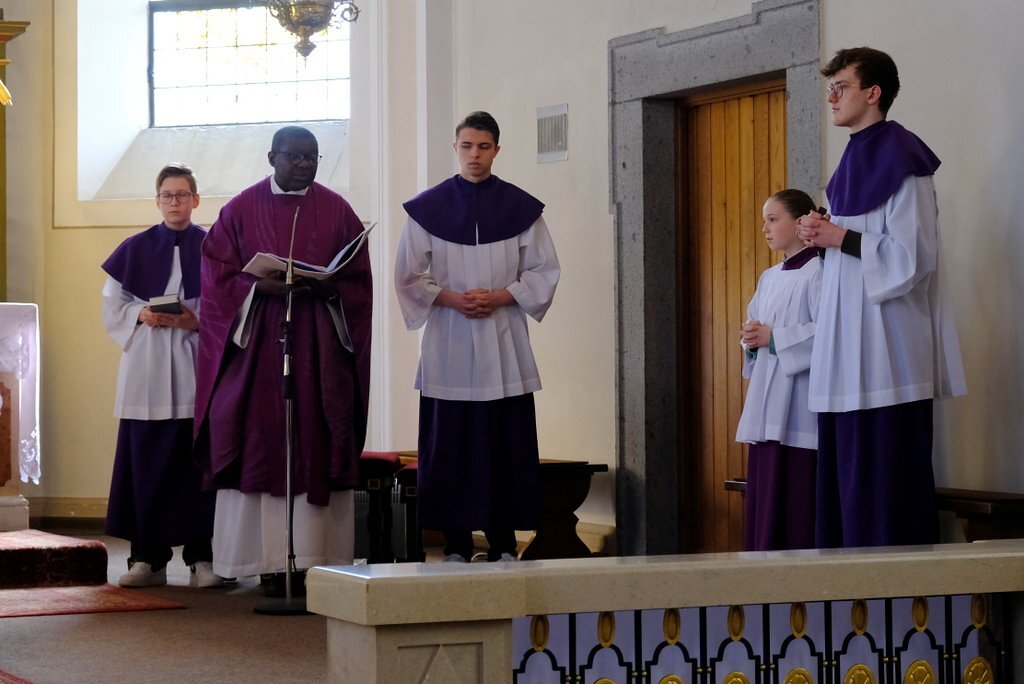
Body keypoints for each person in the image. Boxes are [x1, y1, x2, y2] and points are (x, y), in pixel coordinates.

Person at [796, 47, 966, 548]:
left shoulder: (902, 158)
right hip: (846, 354)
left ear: (873, 93)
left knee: (884, 489)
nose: (831, 98)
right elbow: (853, 247)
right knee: (844, 493)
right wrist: (823, 233)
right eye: (829, 88)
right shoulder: (851, 159)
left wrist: (839, 237)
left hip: (886, 357)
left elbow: (913, 258)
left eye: (841, 87)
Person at [194, 126, 372, 591]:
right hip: (259, 352)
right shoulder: (240, 209)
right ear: (273, 157)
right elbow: (215, 277)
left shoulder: (337, 210)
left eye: (312, 157)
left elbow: (357, 280)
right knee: (259, 444)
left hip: (318, 349)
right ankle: (267, 562)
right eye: (295, 157)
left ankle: (316, 559)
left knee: (317, 438)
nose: (305, 165)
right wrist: (257, 287)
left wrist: (329, 285)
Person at [395, 111, 560, 562]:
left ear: (496, 150)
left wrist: (503, 296)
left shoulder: (521, 209)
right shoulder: (427, 209)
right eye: (467, 146)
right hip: (449, 340)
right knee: (451, 446)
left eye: (483, 147)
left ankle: (503, 543)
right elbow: (407, 275)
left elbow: (544, 270)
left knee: (504, 444)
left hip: (503, 338)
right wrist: (449, 298)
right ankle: (455, 544)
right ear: (455, 148)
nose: (474, 155)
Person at [101, 163, 221, 588]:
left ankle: (201, 559)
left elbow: (230, 307)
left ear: (196, 199)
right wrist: (142, 313)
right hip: (147, 367)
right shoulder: (135, 248)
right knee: (146, 465)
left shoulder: (213, 248)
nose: (174, 202)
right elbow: (112, 306)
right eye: (167, 195)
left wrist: (194, 321)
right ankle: (148, 560)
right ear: (157, 200)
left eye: (182, 194)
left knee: (197, 469)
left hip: (193, 363)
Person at [736, 189, 822, 551]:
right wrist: (750, 339)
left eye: (773, 219)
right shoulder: (769, 277)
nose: (765, 229)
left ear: (801, 221)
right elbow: (754, 323)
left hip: (801, 406)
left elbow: (830, 333)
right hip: (766, 405)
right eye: (764, 221)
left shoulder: (821, 271)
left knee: (796, 500)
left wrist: (776, 338)